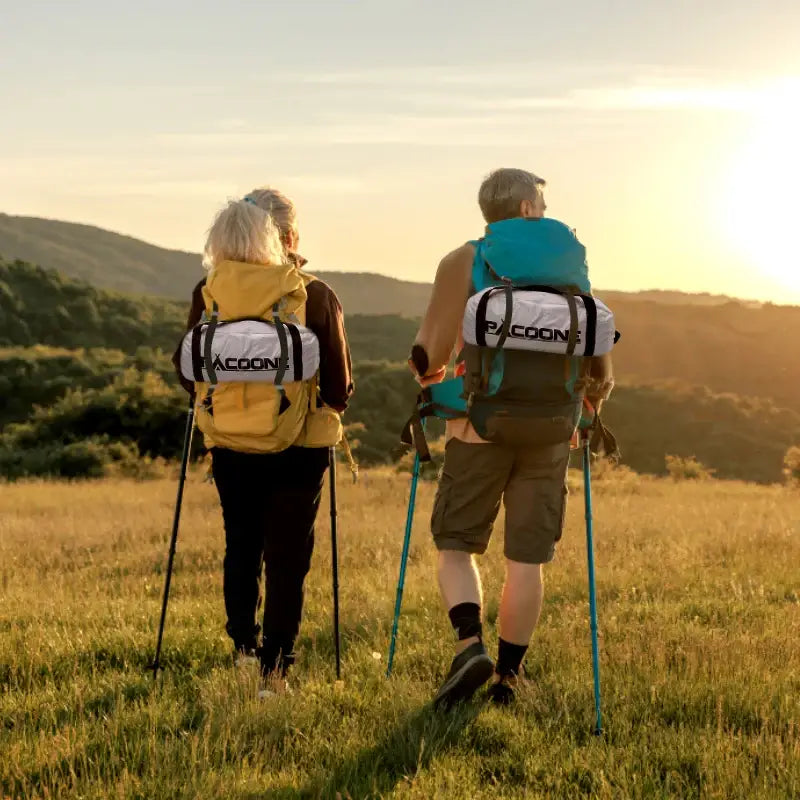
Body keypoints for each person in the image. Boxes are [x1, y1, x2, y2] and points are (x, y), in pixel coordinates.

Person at [409, 168, 614, 707]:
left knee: (456, 545)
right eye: (540, 200)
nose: (544, 208)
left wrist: (431, 380)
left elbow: (428, 355)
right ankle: (508, 679)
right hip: (552, 431)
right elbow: (600, 360)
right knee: (527, 560)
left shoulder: (464, 260)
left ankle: (470, 646)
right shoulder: (572, 263)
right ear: (526, 207)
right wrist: (585, 406)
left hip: (478, 425)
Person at [174, 187, 353, 694]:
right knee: (288, 553)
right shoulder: (313, 294)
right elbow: (338, 391)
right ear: (287, 235)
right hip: (299, 448)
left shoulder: (208, 291)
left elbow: (188, 374)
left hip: (229, 443)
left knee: (242, 543)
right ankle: (276, 668)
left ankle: (242, 647)